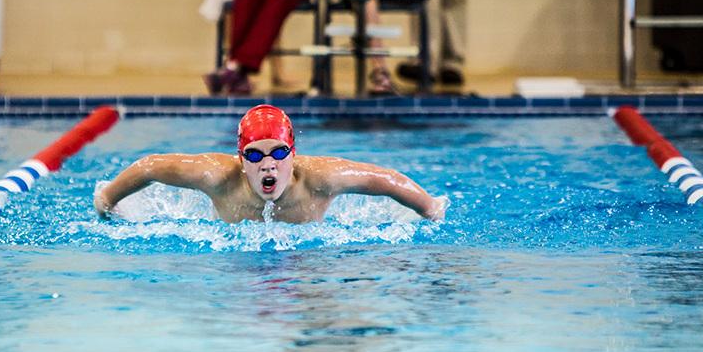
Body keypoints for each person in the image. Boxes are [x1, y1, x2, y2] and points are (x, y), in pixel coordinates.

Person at [95, 104, 449, 224]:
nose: (268, 165)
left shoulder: (321, 179)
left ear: (293, 154)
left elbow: (385, 180)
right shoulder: (216, 176)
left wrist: (430, 208)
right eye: (255, 155)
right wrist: (107, 200)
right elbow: (151, 166)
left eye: (279, 153)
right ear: (240, 159)